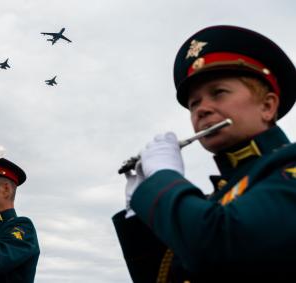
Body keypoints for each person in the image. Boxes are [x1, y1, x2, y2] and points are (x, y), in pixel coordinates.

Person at [112, 25, 296, 282]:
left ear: (267, 106)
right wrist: (140, 215)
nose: (202, 109)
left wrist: (162, 180)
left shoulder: (288, 170)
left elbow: (221, 249)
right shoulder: (215, 200)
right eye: (194, 103)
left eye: (218, 93)